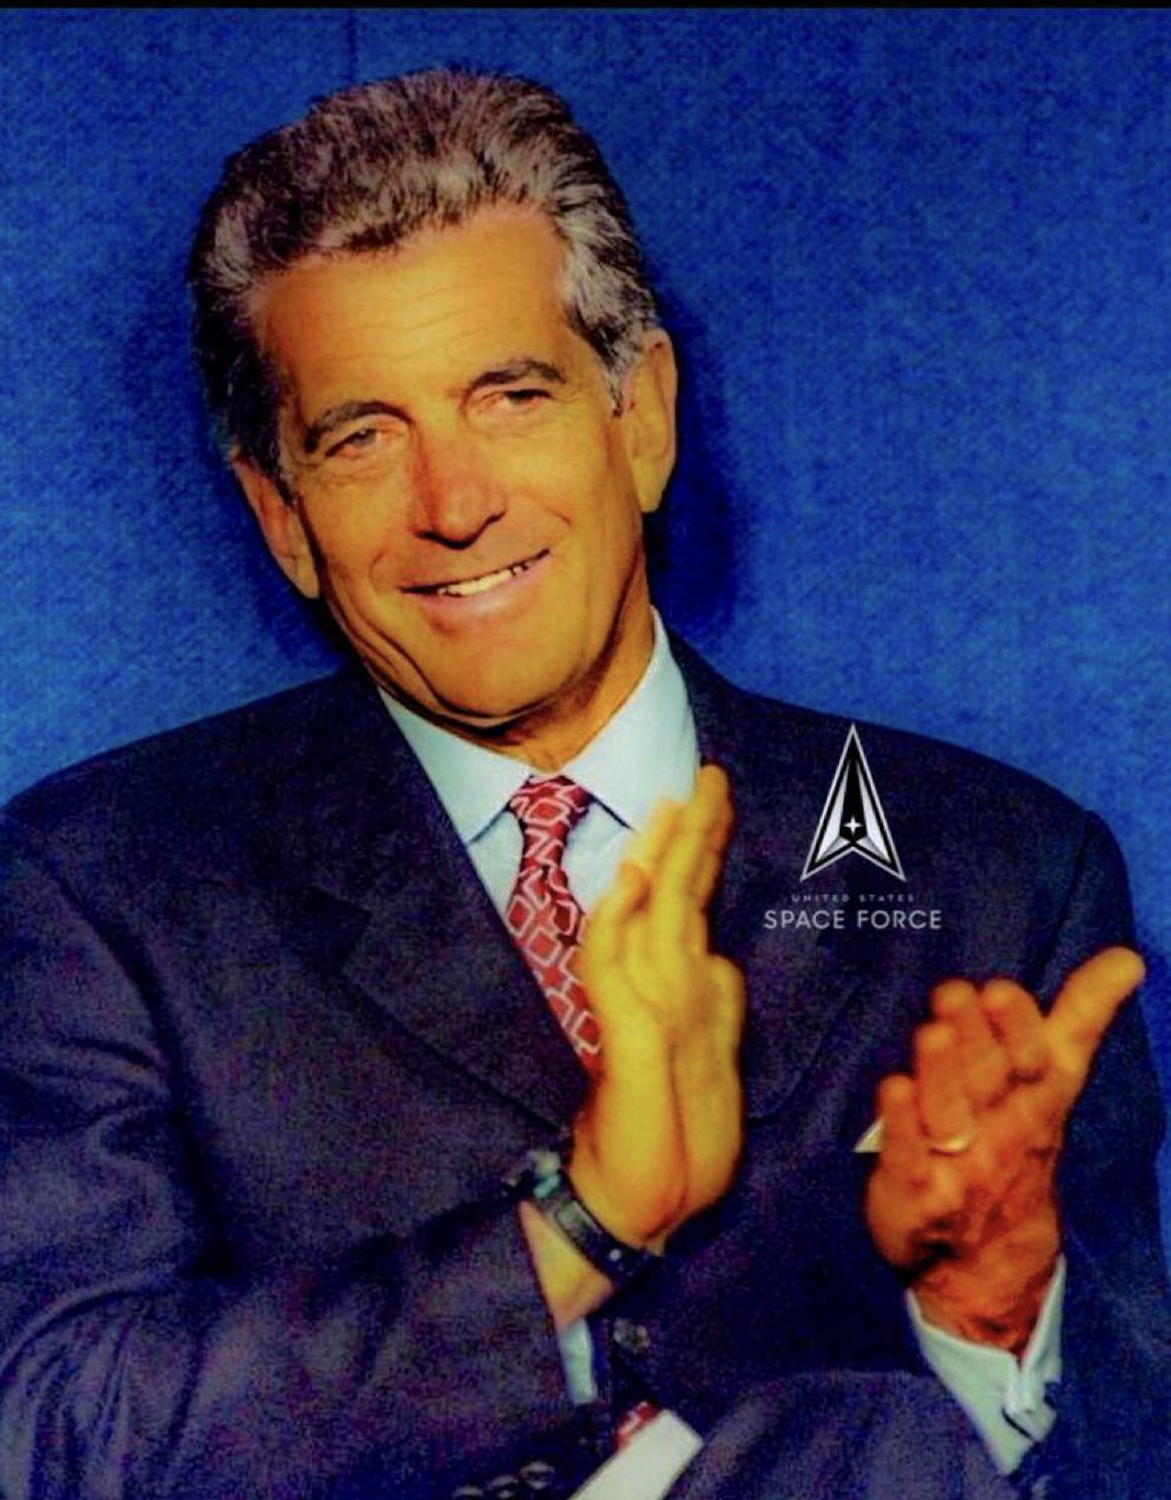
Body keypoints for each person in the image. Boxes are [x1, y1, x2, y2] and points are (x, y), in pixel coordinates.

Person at [1, 68, 1168, 1500]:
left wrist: (992, 1307)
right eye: (362, 438)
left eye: (510, 396)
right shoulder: (102, 882)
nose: (453, 504)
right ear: (280, 517)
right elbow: (52, 1426)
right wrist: (580, 1222)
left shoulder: (999, 872)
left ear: (643, 418)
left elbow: (1130, 1455)